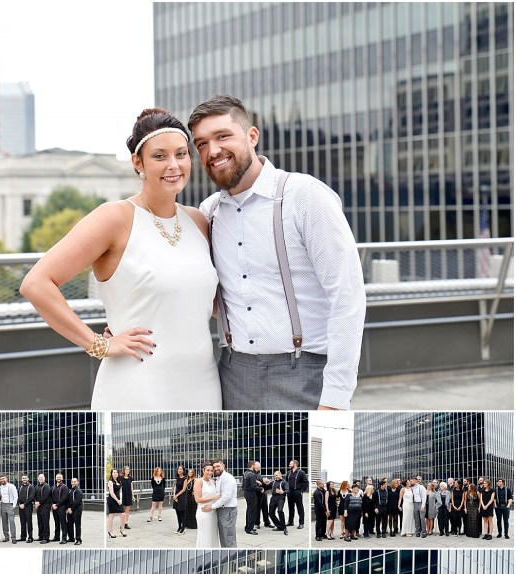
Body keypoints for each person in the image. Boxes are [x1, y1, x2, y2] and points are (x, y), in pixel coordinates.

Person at [20, 108, 221, 411]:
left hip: (203, 382)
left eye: (181, 154)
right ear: (137, 163)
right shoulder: (114, 218)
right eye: (159, 156)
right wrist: (98, 344)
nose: (173, 165)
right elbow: (36, 284)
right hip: (138, 383)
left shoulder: (198, 221)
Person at [188, 94, 365, 410]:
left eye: (223, 136)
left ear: (252, 136)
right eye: (201, 144)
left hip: (304, 372)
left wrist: (336, 398)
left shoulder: (304, 196)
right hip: (231, 373)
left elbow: (347, 297)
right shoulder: (209, 212)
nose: (212, 151)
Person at [203, 458, 238, 547]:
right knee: (223, 537)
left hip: (228, 510)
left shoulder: (227, 478)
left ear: (223, 466)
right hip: (222, 510)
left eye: (218, 466)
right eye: (214, 467)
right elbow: (219, 495)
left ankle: (232, 557)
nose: (216, 469)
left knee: (229, 538)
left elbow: (226, 496)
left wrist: (212, 506)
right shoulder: (219, 478)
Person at [194, 461, 220, 547]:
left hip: (213, 512)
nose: (210, 472)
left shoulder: (213, 482)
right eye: (208, 470)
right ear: (203, 470)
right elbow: (197, 499)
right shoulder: (198, 481)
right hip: (203, 512)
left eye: (211, 470)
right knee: (204, 535)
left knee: (213, 535)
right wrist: (213, 498)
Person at [286, 460, 307, 529]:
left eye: (290, 464)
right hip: (290, 492)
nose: (289, 465)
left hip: (297, 492)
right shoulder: (288, 473)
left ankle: (301, 523)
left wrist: (301, 491)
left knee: (300, 508)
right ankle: (290, 522)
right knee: (291, 507)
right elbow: (286, 482)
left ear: (295, 464)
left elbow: (306, 482)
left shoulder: (301, 472)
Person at [242, 461, 261, 535]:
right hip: (251, 494)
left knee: (249, 510)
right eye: (256, 465)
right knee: (252, 511)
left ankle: (247, 527)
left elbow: (244, 485)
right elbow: (253, 487)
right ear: (252, 466)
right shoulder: (252, 474)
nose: (257, 467)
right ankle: (250, 529)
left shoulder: (245, 473)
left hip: (246, 493)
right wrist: (260, 488)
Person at [107, 468, 126, 539]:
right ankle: (110, 531)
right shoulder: (110, 482)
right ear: (111, 474)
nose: (115, 473)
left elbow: (120, 491)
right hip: (112, 500)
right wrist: (117, 500)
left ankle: (122, 530)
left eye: (116, 472)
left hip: (119, 500)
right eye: (114, 472)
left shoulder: (119, 481)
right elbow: (111, 493)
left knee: (123, 514)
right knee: (112, 515)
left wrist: (120, 499)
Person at [268, 470, 289, 535]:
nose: (275, 477)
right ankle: (279, 526)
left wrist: (283, 492)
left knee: (280, 511)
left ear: (280, 475)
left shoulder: (284, 482)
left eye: (276, 475)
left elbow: (287, 490)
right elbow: (266, 487)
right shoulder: (273, 482)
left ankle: (284, 527)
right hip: (273, 498)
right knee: (271, 513)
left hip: (281, 498)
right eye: (274, 475)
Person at [51, 473, 69, 544]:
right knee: (56, 522)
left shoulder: (64, 487)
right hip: (54, 507)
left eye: (60, 477)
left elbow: (64, 498)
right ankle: (57, 536)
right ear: (55, 478)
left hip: (61, 507)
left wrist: (57, 505)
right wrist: (52, 504)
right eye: (57, 477)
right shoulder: (53, 487)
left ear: (62, 478)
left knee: (63, 522)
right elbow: (51, 496)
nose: (58, 478)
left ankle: (64, 538)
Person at [34, 474, 52, 544]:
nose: (40, 479)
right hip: (39, 506)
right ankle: (40, 536)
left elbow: (45, 496)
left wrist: (39, 502)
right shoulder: (37, 486)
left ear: (44, 478)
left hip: (45, 506)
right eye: (39, 477)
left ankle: (46, 538)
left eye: (42, 477)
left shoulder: (47, 486)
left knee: (45, 522)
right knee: (40, 522)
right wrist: (35, 502)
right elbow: (34, 495)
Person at [17, 475, 35, 542]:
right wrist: (19, 504)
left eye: (25, 478)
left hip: (28, 506)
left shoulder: (31, 487)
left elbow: (31, 497)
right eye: (23, 478)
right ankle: (23, 537)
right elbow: (17, 496)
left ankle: (30, 537)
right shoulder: (20, 487)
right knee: (22, 522)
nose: (24, 479)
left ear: (28, 479)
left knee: (29, 522)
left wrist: (24, 504)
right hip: (21, 507)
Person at [172, 466, 189, 534]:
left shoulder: (185, 479)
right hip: (176, 496)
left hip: (182, 497)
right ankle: (179, 527)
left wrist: (177, 495)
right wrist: (174, 496)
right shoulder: (177, 478)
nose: (179, 470)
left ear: (183, 471)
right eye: (178, 469)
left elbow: (184, 489)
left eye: (181, 469)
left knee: (182, 513)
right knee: (177, 513)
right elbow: (175, 487)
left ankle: (183, 528)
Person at [67, 477, 84, 545]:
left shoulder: (78, 491)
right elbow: (68, 500)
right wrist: (68, 508)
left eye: (75, 481)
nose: (73, 483)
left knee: (77, 525)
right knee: (69, 524)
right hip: (70, 509)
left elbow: (77, 502)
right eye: (72, 482)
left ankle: (78, 539)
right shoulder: (70, 491)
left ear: (77, 482)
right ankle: (71, 538)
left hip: (77, 510)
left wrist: (72, 509)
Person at [120, 466, 135, 531]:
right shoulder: (120, 478)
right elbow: (119, 487)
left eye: (128, 470)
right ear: (124, 470)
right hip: (123, 495)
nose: (127, 471)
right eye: (126, 470)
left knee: (127, 510)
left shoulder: (130, 478)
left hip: (128, 494)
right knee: (122, 510)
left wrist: (133, 496)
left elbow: (131, 487)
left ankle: (126, 523)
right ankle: (122, 523)